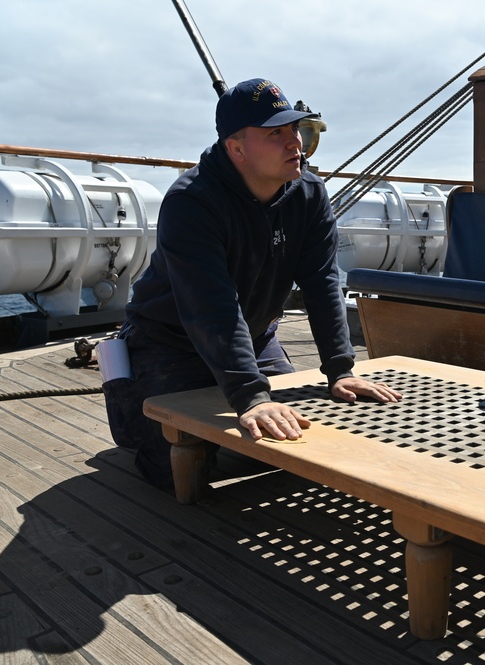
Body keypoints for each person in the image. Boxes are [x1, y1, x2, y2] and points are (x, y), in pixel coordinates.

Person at [104, 78, 401, 488]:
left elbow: (321, 281)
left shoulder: (309, 194)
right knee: (176, 471)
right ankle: (131, 413)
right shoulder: (192, 202)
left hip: (256, 337)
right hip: (169, 344)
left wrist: (340, 369)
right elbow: (211, 305)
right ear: (236, 148)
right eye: (275, 133)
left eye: (295, 129)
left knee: (293, 444)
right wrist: (251, 395)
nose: (294, 142)